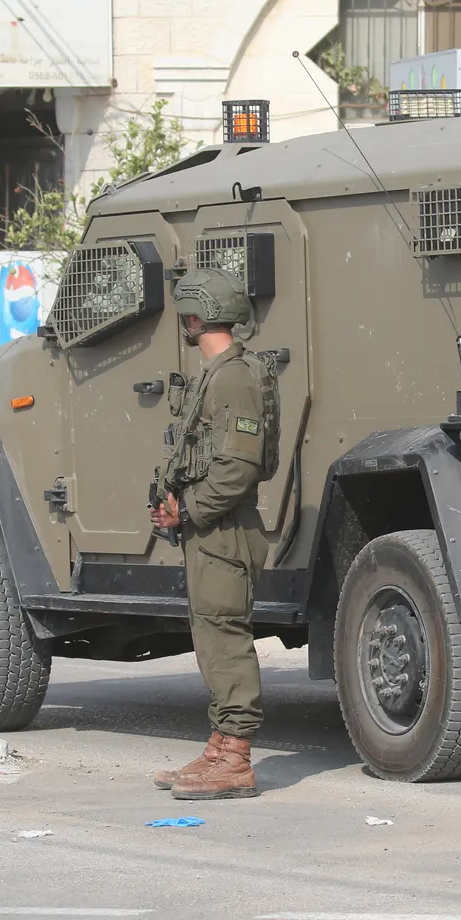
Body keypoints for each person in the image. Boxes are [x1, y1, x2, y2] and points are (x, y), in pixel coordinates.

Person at [150, 268, 274, 800]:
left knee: (224, 635)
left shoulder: (233, 377)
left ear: (198, 315)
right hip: (209, 528)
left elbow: (237, 470)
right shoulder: (217, 372)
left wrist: (189, 511)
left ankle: (236, 758)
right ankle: (222, 744)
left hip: (222, 528)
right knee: (212, 635)